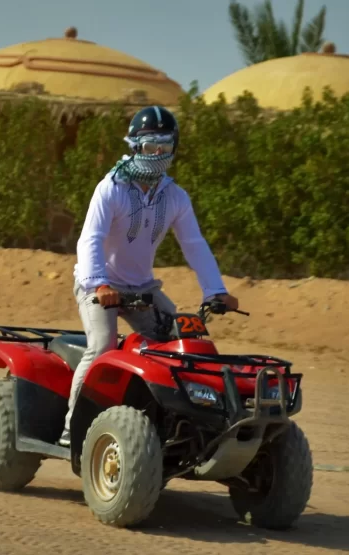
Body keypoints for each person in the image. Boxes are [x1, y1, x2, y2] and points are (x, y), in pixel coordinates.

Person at [59, 105, 239, 447]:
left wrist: (215, 291)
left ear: (174, 148)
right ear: (134, 145)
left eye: (165, 146)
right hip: (100, 286)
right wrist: (99, 283)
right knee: (101, 345)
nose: (157, 153)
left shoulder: (175, 197)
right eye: (150, 145)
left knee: (187, 343)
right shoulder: (109, 189)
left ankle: (177, 422)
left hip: (142, 289)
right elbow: (90, 239)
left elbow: (194, 244)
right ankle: (73, 426)